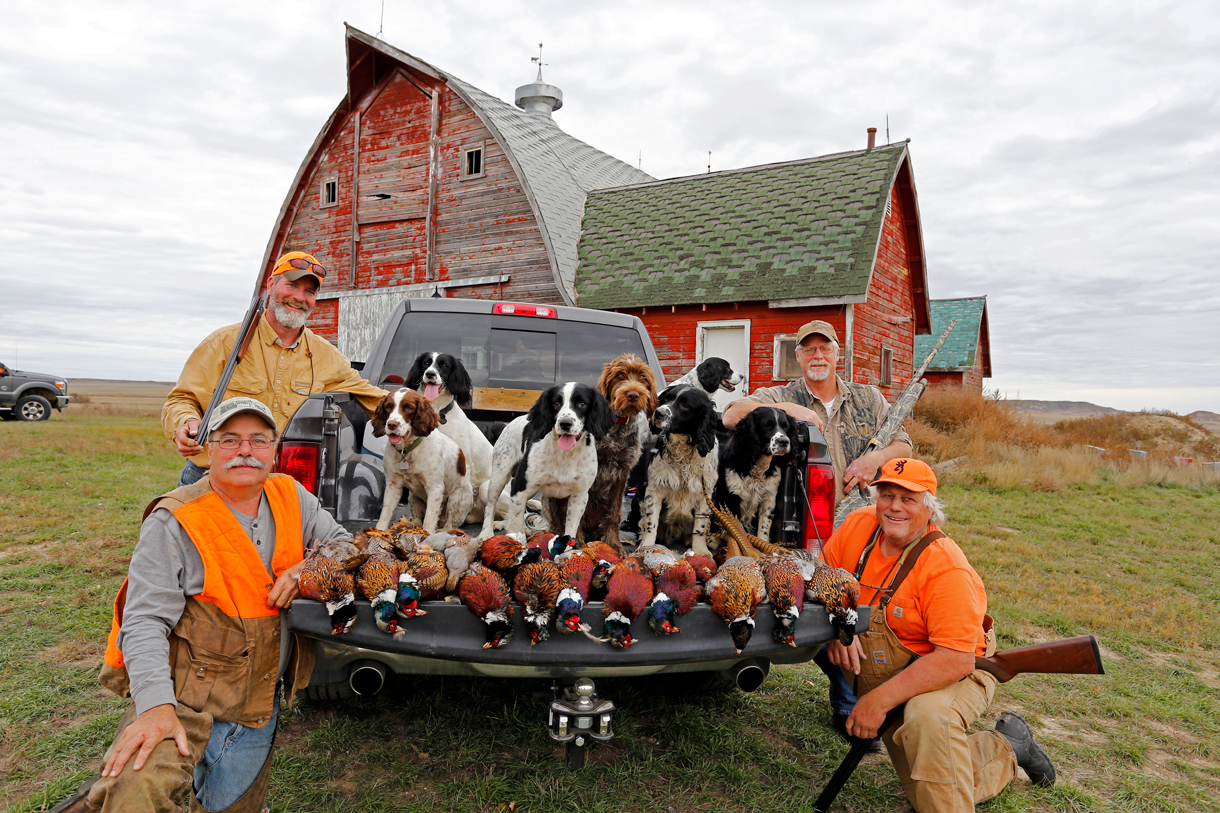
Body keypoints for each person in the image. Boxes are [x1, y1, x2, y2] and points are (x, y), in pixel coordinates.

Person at [59, 397, 353, 813]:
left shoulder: (292, 497)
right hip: (185, 700)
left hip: (256, 704)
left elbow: (346, 545)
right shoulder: (174, 520)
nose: (245, 451)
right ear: (208, 449)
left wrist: (305, 568)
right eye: (230, 440)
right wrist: (157, 709)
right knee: (135, 795)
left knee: (233, 806)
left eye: (258, 440)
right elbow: (144, 621)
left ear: (274, 449)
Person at [823, 458, 1055, 812]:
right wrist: (839, 626)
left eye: (909, 498)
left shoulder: (946, 566)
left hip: (958, 665)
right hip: (898, 669)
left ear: (929, 506)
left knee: (927, 719)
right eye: (887, 495)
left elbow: (954, 658)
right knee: (927, 783)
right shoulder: (857, 527)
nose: (894, 507)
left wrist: (877, 701)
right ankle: (1009, 746)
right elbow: (821, 580)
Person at [722, 319, 913, 744]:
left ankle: (862, 701)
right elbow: (732, 414)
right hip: (802, 532)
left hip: (864, 527)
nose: (817, 357)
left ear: (837, 352)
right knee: (831, 605)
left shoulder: (868, 398)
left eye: (824, 348)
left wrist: (871, 462)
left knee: (865, 611)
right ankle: (850, 702)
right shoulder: (778, 396)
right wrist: (797, 412)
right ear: (799, 357)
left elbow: (905, 445)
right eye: (808, 350)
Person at [163, 251, 386, 487]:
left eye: (309, 291)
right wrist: (186, 421)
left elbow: (376, 399)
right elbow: (182, 399)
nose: (300, 297)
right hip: (212, 477)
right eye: (292, 285)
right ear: (271, 284)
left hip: (279, 483)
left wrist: (424, 415)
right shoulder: (223, 343)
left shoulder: (326, 356)